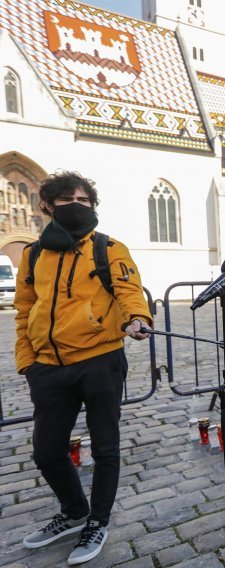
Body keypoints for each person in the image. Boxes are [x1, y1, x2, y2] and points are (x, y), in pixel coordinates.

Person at [14, 171, 152, 565]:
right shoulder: (33, 254)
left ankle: (98, 520)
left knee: (105, 448)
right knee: (46, 450)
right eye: (68, 199)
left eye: (85, 200)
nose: (78, 205)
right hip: (48, 367)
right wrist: (28, 362)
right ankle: (75, 511)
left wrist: (137, 318)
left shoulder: (109, 248)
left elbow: (129, 291)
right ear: (48, 207)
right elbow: (24, 310)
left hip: (100, 361)